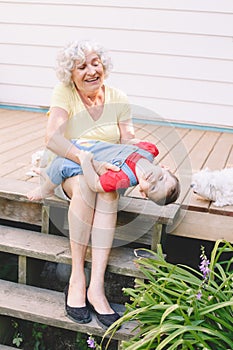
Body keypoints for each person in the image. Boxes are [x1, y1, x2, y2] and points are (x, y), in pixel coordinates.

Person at [41, 39, 137, 328]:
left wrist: (143, 164)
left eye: (95, 63)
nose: (91, 70)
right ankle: (76, 279)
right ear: (70, 74)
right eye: (81, 66)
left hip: (106, 170)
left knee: (106, 191)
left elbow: (129, 139)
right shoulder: (64, 93)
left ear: (103, 65)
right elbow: (52, 138)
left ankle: (96, 286)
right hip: (68, 167)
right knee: (85, 186)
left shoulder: (118, 97)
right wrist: (85, 160)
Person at [27, 139, 180, 206]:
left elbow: (95, 184)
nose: (154, 181)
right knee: (63, 146)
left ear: (142, 192)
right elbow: (135, 142)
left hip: (89, 160)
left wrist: (85, 162)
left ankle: (46, 189)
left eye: (153, 188)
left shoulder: (122, 178)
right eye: (162, 178)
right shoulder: (150, 151)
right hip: (92, 146)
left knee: (61, 165)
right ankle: (46, 172)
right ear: (165, 167)